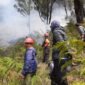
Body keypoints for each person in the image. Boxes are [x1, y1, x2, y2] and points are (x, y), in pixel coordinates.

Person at [50, 20, 72, 85]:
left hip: (59, 58)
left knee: (58, 77)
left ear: (54, 26)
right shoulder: (63, 32)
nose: (51, 27)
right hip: (63, 57)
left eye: (51, 26)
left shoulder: (56, 31)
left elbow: (62, 44)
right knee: (59, 76)